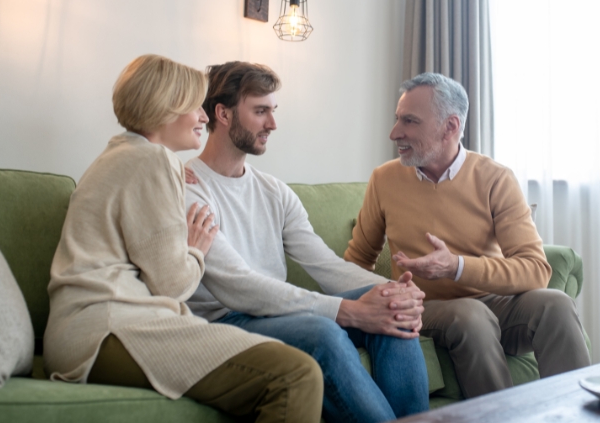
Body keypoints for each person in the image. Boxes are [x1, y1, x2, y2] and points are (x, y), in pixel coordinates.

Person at [43, 54, 323, 423]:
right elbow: (172, 286)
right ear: (166, 108)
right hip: (107, 329)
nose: (204, 117)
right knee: (295, 374)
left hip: (82, 331)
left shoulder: (123, 155)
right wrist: (195, 249)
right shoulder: (152, 161)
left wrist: (172, 175)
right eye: (195, 106)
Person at [182, 61, 430, 423]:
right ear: (223, 114)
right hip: (226, 321)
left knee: (392, 307)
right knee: (322, 332)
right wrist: (347, 310)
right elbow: (239, 285)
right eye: (260, 111)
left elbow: (325, 265)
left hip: (277, 313)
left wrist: (396, 292)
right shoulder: (189, 189)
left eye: (273, 110)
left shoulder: (274, 191)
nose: (273, 123)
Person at [344, 72, 591, 398]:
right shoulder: (385, 179)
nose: (395, 132)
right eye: (397, 118)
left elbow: (535, 270)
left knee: (556, 304)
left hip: (494, 302)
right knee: (471, 315)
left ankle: (576, 411)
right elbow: (358, 260)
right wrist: (364, 305)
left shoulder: (495, 178)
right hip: (427, 306)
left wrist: (456, 266)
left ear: (450, 127)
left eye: (410, 121)